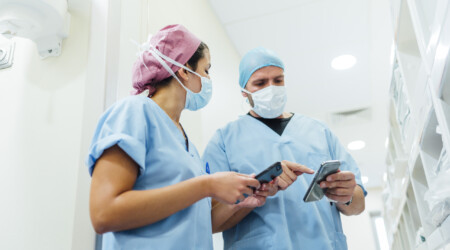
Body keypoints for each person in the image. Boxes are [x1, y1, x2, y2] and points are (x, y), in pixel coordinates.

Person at [86, 25, 312, 250]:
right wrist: (207, 185)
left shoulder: (188, 145)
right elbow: (104, 213)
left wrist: (247, 200)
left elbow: (203, 222)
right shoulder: (134, 112)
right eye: (206, 70)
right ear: (185, 70)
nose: (208, 79)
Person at [202, 47, 367, 250]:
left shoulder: (318, 131)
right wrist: (253, 193)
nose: (271, 88)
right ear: (244, 92)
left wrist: (347, 195)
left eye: (278, 80)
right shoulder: (224, 140)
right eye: (260, 83)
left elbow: (358, 205)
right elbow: (209, 221)